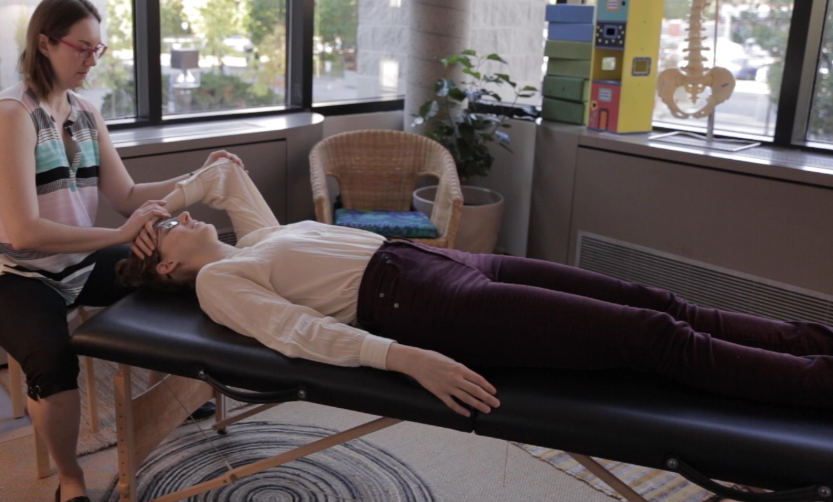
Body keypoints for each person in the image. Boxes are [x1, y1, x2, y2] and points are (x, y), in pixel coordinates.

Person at [117, 158, 833, 415]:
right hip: (428, 304)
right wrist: (406, 358)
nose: (182, 218)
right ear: (170, 268)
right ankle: (815, 382)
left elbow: (224, 175)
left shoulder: (254, 239)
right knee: (653, 338)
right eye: (170, 230)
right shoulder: (220, 281)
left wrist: (155, 209)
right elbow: (297, 332)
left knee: (656, 301)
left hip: (454, 265)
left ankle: (810, 340)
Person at [0, 0, 240, 502]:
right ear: (45, 44)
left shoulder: (86, 114)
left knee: (181, 276)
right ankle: (71, 480)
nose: (93, 59)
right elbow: (24, 232)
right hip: (9, 275)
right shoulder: (11, 115)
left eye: (98, 48)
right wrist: (118, 235)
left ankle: (171, 391)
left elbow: (127, 195)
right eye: (83, 48)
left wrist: (202, 175)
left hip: (78, 260)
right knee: (53, 363)